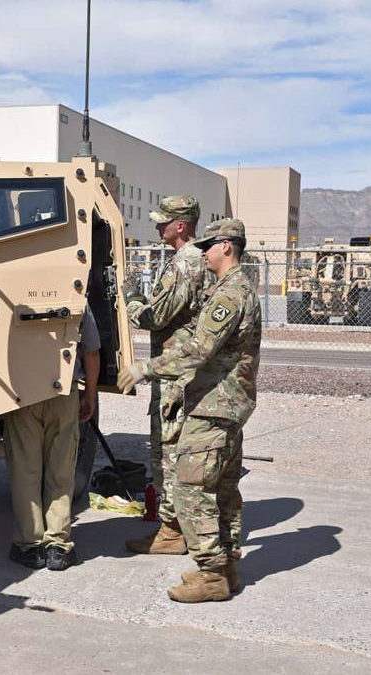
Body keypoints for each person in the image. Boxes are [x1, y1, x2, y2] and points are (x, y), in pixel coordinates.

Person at [118, 219, 260, 602]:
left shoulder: (230, 293)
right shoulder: (233, 288)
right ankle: (227, 566)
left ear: (227, 247)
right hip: (227, 402)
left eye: (210, 245)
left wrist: (144, 368)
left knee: (190, 486)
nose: (204, 251)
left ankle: (210, 574)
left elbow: (199, 348)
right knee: (224, 488)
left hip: (214, 403)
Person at [123, 196, 208, 555]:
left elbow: (157, 317)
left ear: (181, 226)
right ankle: (177, 527)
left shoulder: (186, 263)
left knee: (168, 451)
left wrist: (131, 301)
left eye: (163, 222)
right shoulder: (186, 260)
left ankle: (172, 531)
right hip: (175, 371)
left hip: (175, 375)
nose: (157, 227)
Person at [4, 305, 101, 571]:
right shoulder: (76, 295)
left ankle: (29, 545)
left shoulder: (12, 293)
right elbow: (91, 351)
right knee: (61, 470)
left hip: (22, 394)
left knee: (26, 471)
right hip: (63, 392)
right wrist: (90, 396)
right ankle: (58, 546)